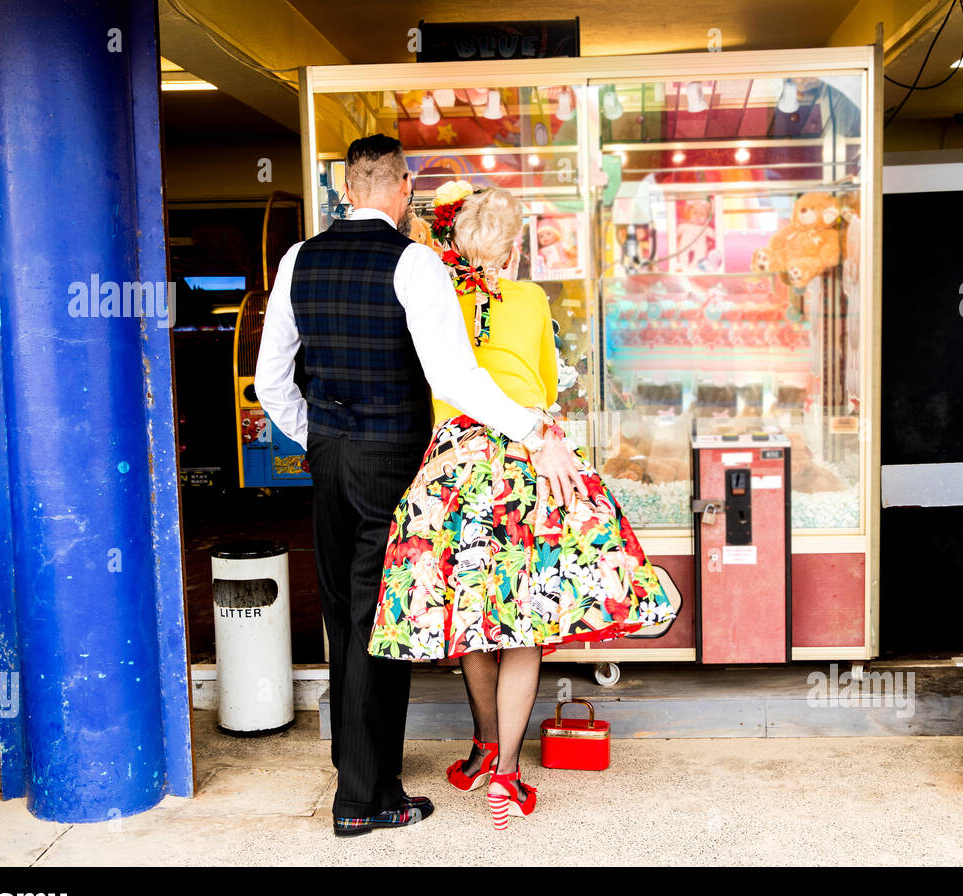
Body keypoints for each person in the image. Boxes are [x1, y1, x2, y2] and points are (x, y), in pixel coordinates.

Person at [254, 136, 585, 838]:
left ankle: (356, 768)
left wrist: (315, 432)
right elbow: (455, 380)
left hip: (329, 457)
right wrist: (534, 428)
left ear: (348, 187)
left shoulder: (296, 259)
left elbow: (270, 380)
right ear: (401, 187)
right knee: (382, 626)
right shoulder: (414, 263)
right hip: (391, 465)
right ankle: (366, 799)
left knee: (342, 616)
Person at [367, 184, 676, 830]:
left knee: (476, 615)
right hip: (524, 461)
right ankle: (507, 771)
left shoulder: (438, 296)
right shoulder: (531, 299)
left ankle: (481, 748)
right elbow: (541, 386)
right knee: (525, 622)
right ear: (510, 252)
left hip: (452, 468)